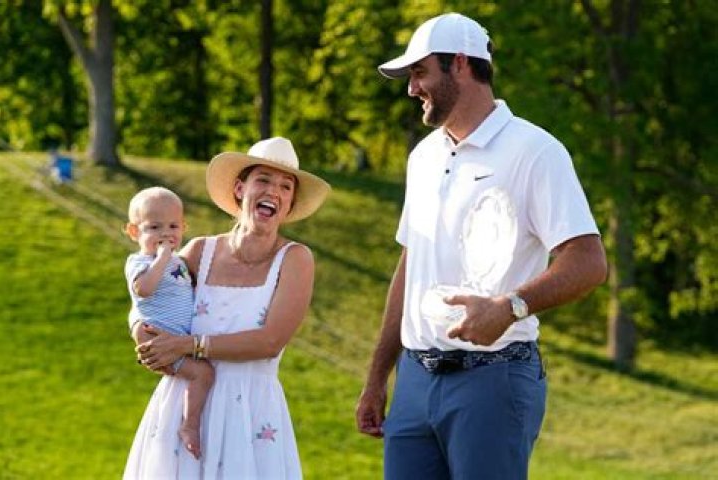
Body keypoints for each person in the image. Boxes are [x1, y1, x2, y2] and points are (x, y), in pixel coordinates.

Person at [355, 12, 608, 480]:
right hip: (413, 382)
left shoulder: (535, 151)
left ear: (461, 64)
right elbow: (411, 265)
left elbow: (588, 262)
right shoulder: (423, 156)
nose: (412, 89)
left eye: (420, 72)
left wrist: (510, 307)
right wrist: (377, 378)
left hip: (493, 380)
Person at [124, 137, 331, 479]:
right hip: (185, 405)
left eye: (285, 186)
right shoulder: (199, 252)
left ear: (290, 202)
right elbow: (147, 297)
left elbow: (270, 342)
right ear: (239, 188)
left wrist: (187, 345)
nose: (274, 191)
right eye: (263, 179)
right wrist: (142, 334)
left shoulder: (295, 259)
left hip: (251, 414)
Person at [124, 186, 215, 460]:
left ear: (183, 228)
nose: (165, 234)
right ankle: (190, 425)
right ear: (134, 231)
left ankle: (190, 420)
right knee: (203, 374)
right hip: (160, 341)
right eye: (154, 227)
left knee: (202, 372)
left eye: (173, 226)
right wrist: (162, 258)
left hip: (179, 340)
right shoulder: (139, 262)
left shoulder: (179, 262)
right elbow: (144, 290)